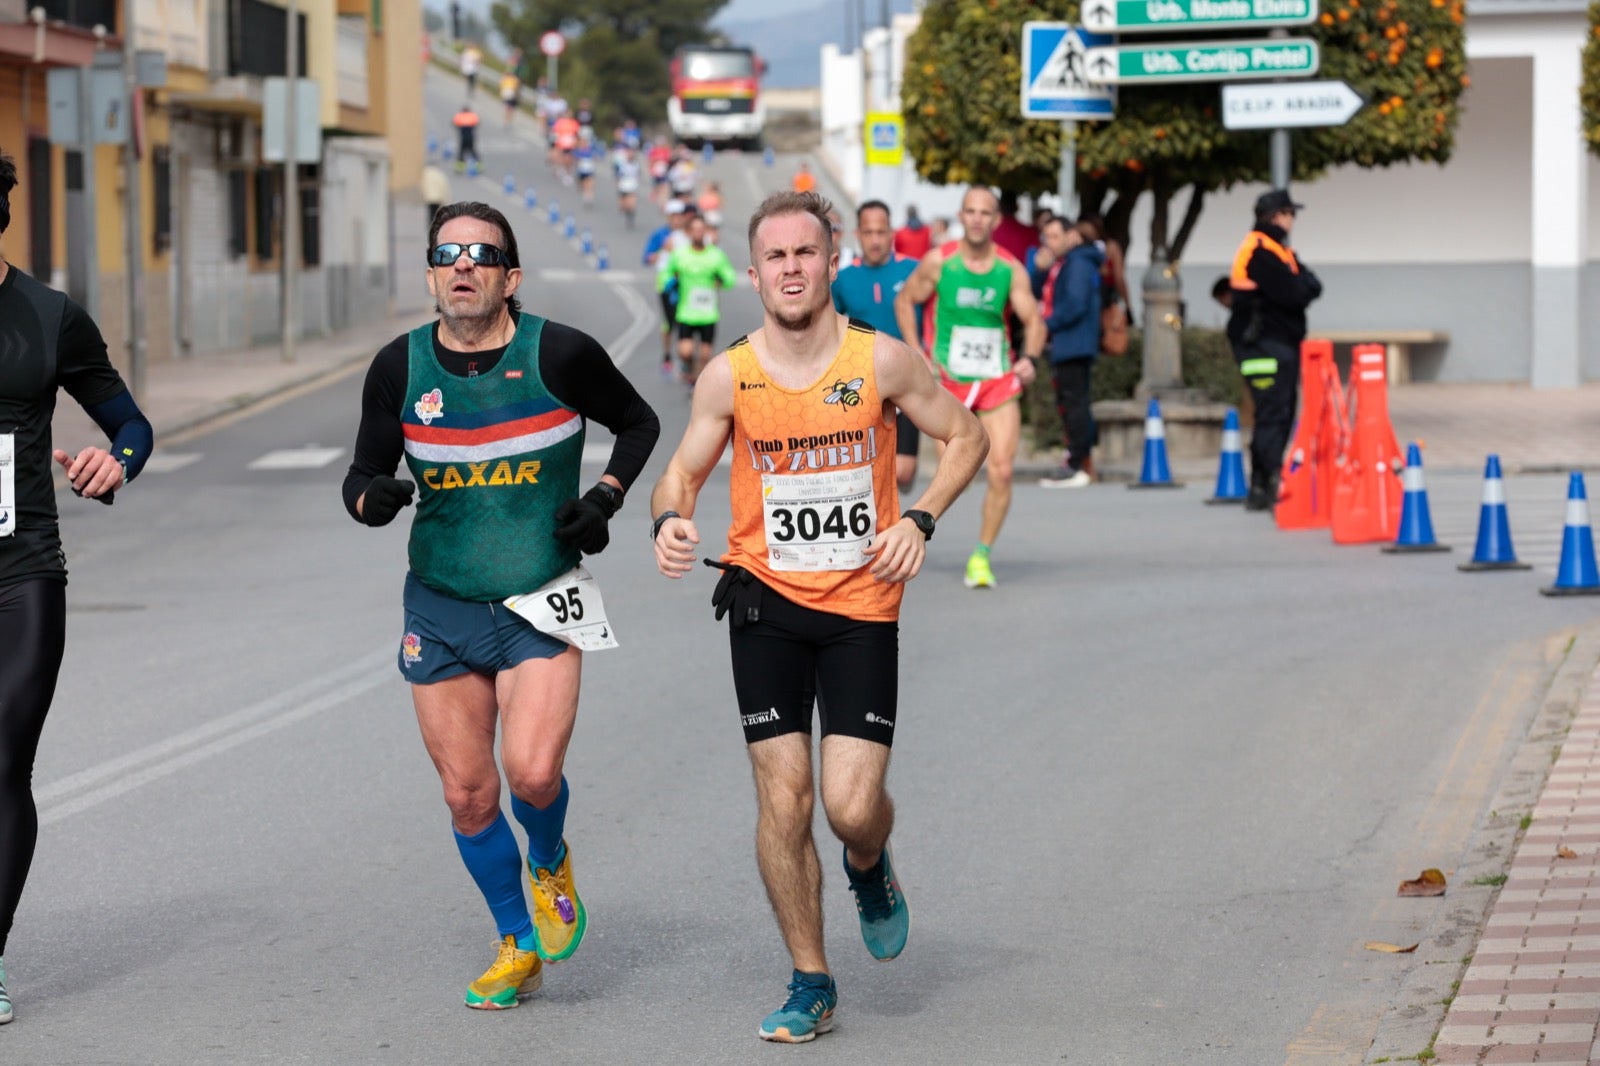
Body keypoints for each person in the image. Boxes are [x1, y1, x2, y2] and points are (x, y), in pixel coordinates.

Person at [649, 189, 987, 1044]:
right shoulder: (730, 374)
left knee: (847, 806)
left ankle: (870, 863)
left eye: (807, 253)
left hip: (862, 605)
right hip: (763, 601)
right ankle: (810, 977)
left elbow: (969, 436)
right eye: (776, 257)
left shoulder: (882, 363)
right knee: (784, 798)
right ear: (754, 272)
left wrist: (920, 516)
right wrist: (669, 520)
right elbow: (678, 474)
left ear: (831, 262)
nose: (791, 269)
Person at [341, 201, 661, 1009]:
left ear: (509, 277)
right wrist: (369, 500)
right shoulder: (398, 367)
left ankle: (549, 858)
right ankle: (517, 941)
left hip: (541, 601)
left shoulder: (559, 352)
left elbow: (638, 419)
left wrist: (606, 498)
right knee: (468, 794)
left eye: (482, 255)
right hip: (441, 607)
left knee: (533, 773)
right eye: (448, 253)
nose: (464, 266)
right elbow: (361, 476)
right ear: (430, 274)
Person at [0, 148, 155, 1025]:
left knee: (2, 759)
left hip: (23, 571)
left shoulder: (49, 316)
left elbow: (128, 421)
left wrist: (116, 461)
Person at [895, 186, 1046, 590]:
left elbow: (1033, 319)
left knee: (1002, 470)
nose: (978, 219)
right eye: (971, 211)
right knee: (954, 471)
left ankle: (981, 555)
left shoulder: (1010, 269)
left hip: (996, 379)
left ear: (996, 221)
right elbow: (905, 301)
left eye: (986, 213)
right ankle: (914, 534)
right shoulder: (939, 263)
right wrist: (918, 353)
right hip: (949, 383)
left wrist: (1028, 358)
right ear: (961, 216)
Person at [1227, 189, 1322, 511]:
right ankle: (1264, 483)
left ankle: (1266, 481)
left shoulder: (1277, 250)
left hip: (1276, 343)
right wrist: (1301, 284)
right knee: (1272, 413)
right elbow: (1296, 293)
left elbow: (1313, 285)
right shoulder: (1260, 251)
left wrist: (1301, 284)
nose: (1292, 220)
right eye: (1289, 213)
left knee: (1279, 413)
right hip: (1263, 344)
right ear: (1276, 215)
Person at [832, 199, 922, 492]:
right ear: (857, 234)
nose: (875, 240)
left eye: (881, 232)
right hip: (863, 383)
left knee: (904, 473)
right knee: (867, 471)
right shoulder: (843, 279)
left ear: (891, 233)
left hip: (907, 380)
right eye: (868, 233)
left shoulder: (914, 271)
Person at [1034, 217, 1104, 489]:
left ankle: (1077, 462)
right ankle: (1078, 459)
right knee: (1071, 401)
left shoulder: (1078, 263)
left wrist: (1045, 326)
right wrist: (1040, 272)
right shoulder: (1063, 263)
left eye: (1053, 236)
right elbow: (1038, 292)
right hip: (1066, 343)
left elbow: (1074, 304)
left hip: (1073, 343)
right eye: (1046, 237)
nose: (1048, 243)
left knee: (1074, 403)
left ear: (1071, 236)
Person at [666, 212, 738, 384]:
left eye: (701, 229)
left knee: (705, 355)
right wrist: (671, 282)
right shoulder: (680, 254)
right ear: (689, 232)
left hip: (708, 313)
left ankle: (697, 383)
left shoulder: (715, 255)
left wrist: (720, 281)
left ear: (705, 231)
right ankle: (688, 368)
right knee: (685, 351)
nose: (698, 233)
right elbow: (666, 274)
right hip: (687, 312)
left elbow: (730, 278)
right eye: (694, 229)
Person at [644, 200, 692, 374]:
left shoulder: (688, 234)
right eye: (673, 216)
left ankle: (683, 357)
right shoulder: (661, 235)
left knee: (684, 320)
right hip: (666, 285)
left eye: (679, 216)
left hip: (686, 285)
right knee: (669, 324)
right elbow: (647, 257)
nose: (676, 219)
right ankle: (667, 354)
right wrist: (663, 251)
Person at [614, 147, 641, 229]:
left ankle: (630, 218)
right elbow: (617, 175)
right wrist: (617, 185)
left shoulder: (636, 164)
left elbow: (638, 175)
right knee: (624, 206)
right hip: (623, 186)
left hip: (632, 187)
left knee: (632, 204)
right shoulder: (622, 164)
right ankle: (627, 213)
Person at [421, 162, 451, 231]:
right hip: (438, 197)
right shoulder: (439, 174)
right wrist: (445, 198)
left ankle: (431, 226)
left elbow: (422, 185)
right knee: (437, 213)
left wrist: (423, 195)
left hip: (429, 197)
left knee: (431, 213)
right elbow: (443, 186)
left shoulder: (425, 174)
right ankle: (436, 226)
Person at [452, 103, 481, 173]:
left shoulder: (459, 116)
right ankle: (479, 167)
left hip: (463, 137)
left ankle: (460, 168)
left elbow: (454, 123)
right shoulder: (472, 116)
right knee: (473, 152)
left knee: (461, 153)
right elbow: (476, 123)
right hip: (471, 137)